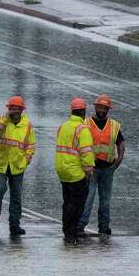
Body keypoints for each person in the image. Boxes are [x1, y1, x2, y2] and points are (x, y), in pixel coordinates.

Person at [77, 94, 125, 237]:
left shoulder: (114, 126)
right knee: (88, 199)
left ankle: (104, 227)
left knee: (105, 201)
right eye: (100, 107)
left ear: (108, 109)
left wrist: (118, 160)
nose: (102, 110)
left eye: (105, 108)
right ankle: (80, 226)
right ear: (95, 107)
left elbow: (121, 143)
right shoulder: (86, 123)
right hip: (91, 169)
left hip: (108, 169)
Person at [0, 95, 36, 237]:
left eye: (17, 109)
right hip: (1, 162)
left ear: (22, 111)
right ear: (8, 109)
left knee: (16, 196)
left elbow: (31, 145)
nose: (14, 112)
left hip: (17, 165)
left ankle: (15, 225)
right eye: (12, 109)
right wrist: (5, 120)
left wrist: (27, 160)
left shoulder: (27, 125)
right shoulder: (0, 120)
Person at [54, 97, 95, 244]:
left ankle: (67, 231)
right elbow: (86, 152)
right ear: (83, 112)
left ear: (72, 111)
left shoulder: (63, 127)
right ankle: (72, 233)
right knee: (77, 203)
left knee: (67, 202)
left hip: (62, 170)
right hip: (76, 172)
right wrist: (89, 169)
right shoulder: (83, 129)